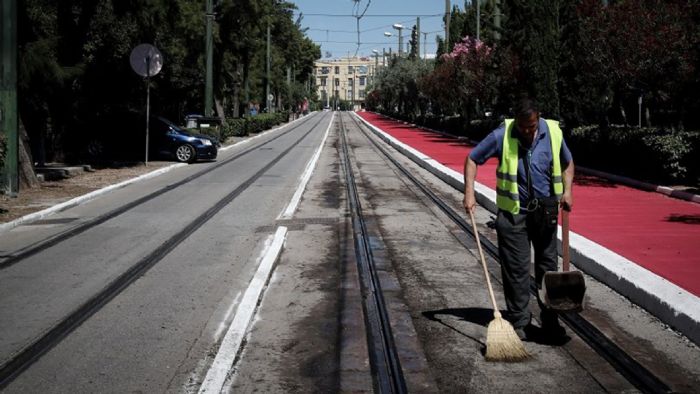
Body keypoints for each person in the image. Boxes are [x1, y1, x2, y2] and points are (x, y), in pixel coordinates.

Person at [463, 98, 574, 341]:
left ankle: (550, 320)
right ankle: (520, 320)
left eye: (531, 126)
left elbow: (567, 163)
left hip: (545, 213)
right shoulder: (502, 134)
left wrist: (567, 191)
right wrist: (469, 193)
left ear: (538, 118)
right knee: (516, 270)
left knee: (547, 269)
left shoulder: (553, 132)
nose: (526, 131)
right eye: (522, 126)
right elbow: (472, 158)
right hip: (514, 214)